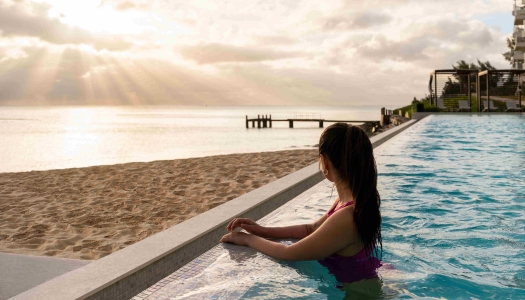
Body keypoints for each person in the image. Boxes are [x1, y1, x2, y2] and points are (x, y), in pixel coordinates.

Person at [220, 122, 383, 285]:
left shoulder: (347, 217)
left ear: (325, 162)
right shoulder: (348, 202)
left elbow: (289, 253)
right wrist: (263, 231)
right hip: (357, 284)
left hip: (358, 293)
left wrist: (248, 240)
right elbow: (311, 229)